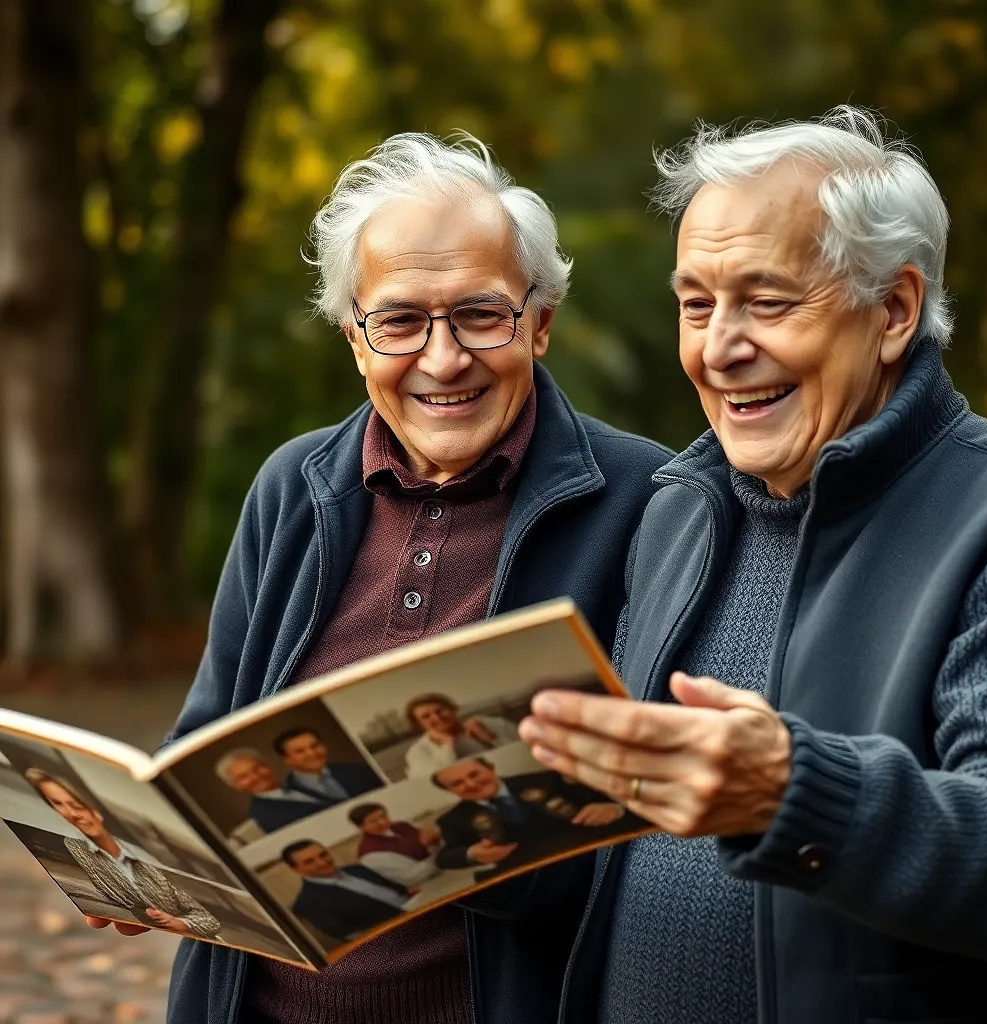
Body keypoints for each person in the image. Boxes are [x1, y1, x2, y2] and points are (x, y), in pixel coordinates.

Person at [151, 132, 670, 1024]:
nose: (442, 358)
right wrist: (151, 856)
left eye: (480, 314)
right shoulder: (293, 486)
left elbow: (659, 834)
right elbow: (207, 741)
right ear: (355, 340)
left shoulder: (649, 501)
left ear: (540, 322)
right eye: (399, 322)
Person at [521, 107, 987, 1024]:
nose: (719, 349)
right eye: (696, 304)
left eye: (767, 301)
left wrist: (795, 791)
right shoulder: (677, 509)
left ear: (894, 310)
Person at [25, 769, 221, 939]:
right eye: (57, 803)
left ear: (93, 804)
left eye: (76, 804)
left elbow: (210, 920)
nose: (72, 814)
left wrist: (181, 923)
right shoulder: (77, 846)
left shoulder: (148, 848)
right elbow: (118, 899)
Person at [432, 757, 633, 879]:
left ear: (491, 768)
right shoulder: (452, 819)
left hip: (590, 854)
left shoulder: (546, 779)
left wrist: (616, 809)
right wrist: (472, 854)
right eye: (457, 783)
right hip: (531, 875)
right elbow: (444, 858)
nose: (470, 784)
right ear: (449, 790)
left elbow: (612, 801)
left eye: (474, 774)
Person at [281, 839, 413, 943]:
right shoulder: (308, 903)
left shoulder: (356, 869)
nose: (322, 862)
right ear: (296, 869)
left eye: (323, 855)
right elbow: (354, 938)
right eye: (309, 862)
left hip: (416, 907)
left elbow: (402, 890)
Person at [403, 692, 519, 777]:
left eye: (440, 711)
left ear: (453, 709)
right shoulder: (417, 752)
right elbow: (435, 780)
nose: (437, 718)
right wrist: (447, 744)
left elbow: (521, 753)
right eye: (426, 716)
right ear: (418, 724)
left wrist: (489, 737)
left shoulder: (490, 724)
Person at [214, 748, 326, 833]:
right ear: (236, 786)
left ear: (268, 766)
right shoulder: (265, 814)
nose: (256, 776)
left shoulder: (299, 781)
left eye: (257, 768)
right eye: (243, 777)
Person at [272, 726, 381, 802]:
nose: (312, 753)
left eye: (315, 746)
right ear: (287, 759)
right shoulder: (287, 797)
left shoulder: (359, 771)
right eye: (300, 751)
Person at [349, 801, 441, 886]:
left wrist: (435, 839)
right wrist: (437, 852)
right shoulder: (370, 854)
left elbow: (436, 840)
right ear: (361, 827)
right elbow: (412, 877)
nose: (382, 822)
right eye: (373, 821)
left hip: (441, 867)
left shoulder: (404, 825)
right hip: (425, 884)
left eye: (383, 816)